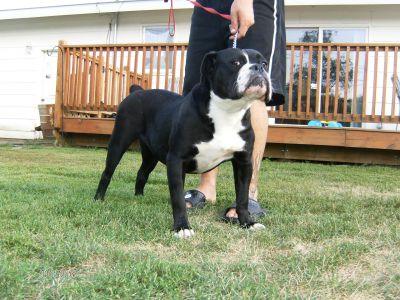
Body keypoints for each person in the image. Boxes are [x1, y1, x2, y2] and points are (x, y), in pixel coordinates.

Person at [182, 0, 286, 222]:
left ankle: (248, 194)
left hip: (254, 3)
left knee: (254, 88)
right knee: (204, 87)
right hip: (206, 5)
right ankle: (207, 187)